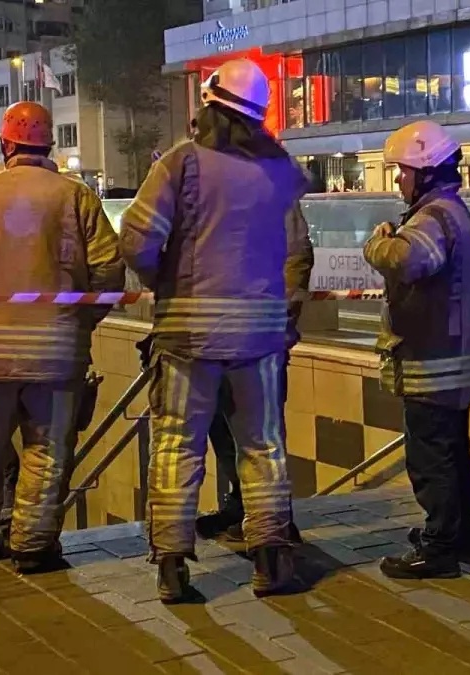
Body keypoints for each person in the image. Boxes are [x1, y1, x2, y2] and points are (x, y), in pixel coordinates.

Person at [119, 59, 307, 602]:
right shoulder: (281, 170)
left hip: (188, 335)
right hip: (263, 338)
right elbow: (297, 254)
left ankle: (174, 570)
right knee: (263, 444)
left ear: (208, 103)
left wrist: (166, 279)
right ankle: (273, 562)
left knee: (178, 444)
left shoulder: (181, 165)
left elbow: (136, 242)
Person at [0, 101, 125, 574]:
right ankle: (32, 547)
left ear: (6, 143)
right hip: (57, 354)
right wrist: (80, 323)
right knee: (47, 449)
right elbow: (109, 270)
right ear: (48, 145)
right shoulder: (76, 196)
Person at [363, 120, 470, 580]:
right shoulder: (452, 211)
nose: (399, 179)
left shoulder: (433, 217)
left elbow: (406, 260)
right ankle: (460, 534)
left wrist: (378, 243)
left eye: (402, 170)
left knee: (430, 456)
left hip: (431, 361)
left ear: (426, 169)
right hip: (451, 360)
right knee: (453, 449)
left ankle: (439, 548)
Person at [194, 204, 314, 543]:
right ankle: (243, 504)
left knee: (261, 436)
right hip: (212, 340)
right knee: (221, 426)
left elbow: (297, 259)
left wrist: (280, 321)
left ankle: (275, 523)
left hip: (257, 340)